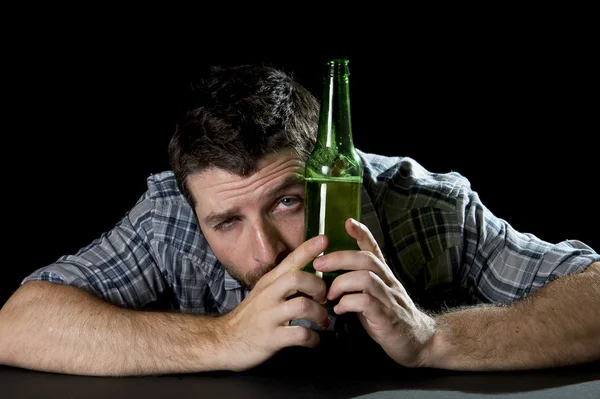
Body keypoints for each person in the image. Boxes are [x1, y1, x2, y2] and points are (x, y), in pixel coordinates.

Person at [0, 63, 598, 377]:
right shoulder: (168, 216)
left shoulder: (424, 204)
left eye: (286, 201)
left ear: (328, 175)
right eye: (226, 222)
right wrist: (221, 338)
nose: (263, 254)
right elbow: (17, 323)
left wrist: (435, 338)